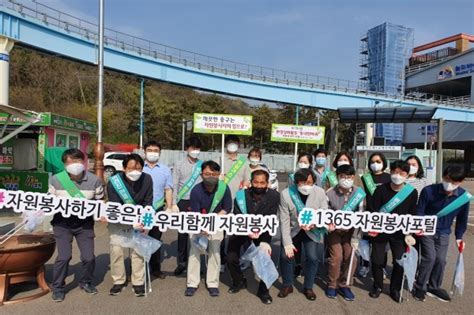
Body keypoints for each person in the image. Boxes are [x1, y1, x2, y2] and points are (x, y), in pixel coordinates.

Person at [49, 149, 104, 302]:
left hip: (84, 225)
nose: (74, 165)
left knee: (88, 257)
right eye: (70, 162)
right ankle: (58, 287)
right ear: (64, 164)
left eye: (77, 161)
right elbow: (49, 201)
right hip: (62, 224)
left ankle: (86, 282)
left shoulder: (94, 180)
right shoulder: (56, 180)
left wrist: (102, 214)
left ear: (84, 161)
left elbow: (100, 203)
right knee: (64, 257)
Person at [412, 166, 470, 302]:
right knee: (430, 257)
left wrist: (459, 237)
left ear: (461, 182)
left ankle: (433, 286)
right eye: (446, 179)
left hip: (444, 232)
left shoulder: (463, 197)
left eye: (454, 182)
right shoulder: (429, 191)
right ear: (442, 177)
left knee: (441, 260)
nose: (449, 184)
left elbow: (462, 219)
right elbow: (420, 210)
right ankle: (419, 286)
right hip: (426, 230)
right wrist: (419, 225)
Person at [227, 168, 280, 304]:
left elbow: (271, 218)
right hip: (243, 230)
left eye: (262, 183)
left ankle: (263, 291)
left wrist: (265, 241)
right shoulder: (240, 195)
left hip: (262, 233)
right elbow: (237, 215)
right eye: (256, 182)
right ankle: (239, 281)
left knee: (265, 257)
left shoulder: (274, 196)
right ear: (251, 182)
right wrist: (247, 230)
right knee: (231, 256)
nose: (259, 186)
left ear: (267, 183)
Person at [368, 160, 418, 303]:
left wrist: (410, 233)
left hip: (400, 233)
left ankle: (394, 289)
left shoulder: (411, 192)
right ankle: (377, 285)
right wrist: (373, 227)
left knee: (399, 261)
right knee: (377, 260)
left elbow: (412, 213)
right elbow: (372, 209)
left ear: (407, 175)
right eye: (395, 172)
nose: (397, 175)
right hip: (380, 231)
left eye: (401, 173)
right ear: (390, 172)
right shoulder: (381, 189)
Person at [278, 168, 328, 301]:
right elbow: (284, 220)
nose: (306, 186)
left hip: (312, 230)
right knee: (285, 256)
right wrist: (287, 243)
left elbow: (324, 213)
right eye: (301, 183)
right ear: (296, 182)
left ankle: (308, 287)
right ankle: (287, 284)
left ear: (314, 182)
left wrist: (315, 224)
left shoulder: (320, 192)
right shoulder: (286, 194)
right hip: (293, 229)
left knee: (312, 257)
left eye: (309, 182)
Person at [107, 154, 153, 297]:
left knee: (138, 251)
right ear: (123, 168)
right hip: (118, 222)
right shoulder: (114, 181)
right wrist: (129, 220)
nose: (135, 171)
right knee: (117, 251)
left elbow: (148, 202)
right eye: (131, 168)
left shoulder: (147, 179)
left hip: (139, 222)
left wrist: (145, 222)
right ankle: (119, 281)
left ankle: (138, 282)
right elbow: (115, 206)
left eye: (138, 168)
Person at [185, 161, 233, 297]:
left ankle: (212, 283)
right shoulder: (196, 190)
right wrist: (202, 227)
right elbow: (195, 212)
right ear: (201, 175)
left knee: (215, 252)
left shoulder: (224, 188)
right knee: (194, 252)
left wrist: (213, 222)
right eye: (207, 173)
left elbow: (227, 207)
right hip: (198, 224)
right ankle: (192, 283)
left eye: (213, 173)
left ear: (218, 174)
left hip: (217, 224)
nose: (210, 176)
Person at [325, 164, 365, 301]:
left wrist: (356, 237)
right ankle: (332, 284)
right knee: (336, 257)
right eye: (343, 177)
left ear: (353, 177)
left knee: (351, 257)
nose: (346, 179)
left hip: (351, 232)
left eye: (349, 177)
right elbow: (326, 212)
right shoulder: (330, 192)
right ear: (338, 177)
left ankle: (345, 284)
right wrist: (328, 226)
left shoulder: (359, 193)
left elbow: (361, 215)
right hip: (334, 231)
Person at [218, 135, 251, 271]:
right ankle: (221, 259)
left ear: (238, 145)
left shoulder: (243, 162)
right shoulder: (220, 159)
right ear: (226, 145)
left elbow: (247, 180)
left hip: (238, 202)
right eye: (230, 143)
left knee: (240, 232)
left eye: (235, 143)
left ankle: (244, 258)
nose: (232, 145)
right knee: (221, 233)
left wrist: (244, 187)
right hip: (221, 201)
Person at [171, 136, 203, 276]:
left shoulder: (202, 165)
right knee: (182, 233)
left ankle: (197, 262)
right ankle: (182, 262)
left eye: (197, 148)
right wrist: (173, 203)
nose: (195, 151)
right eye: (192, 148)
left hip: (198, 202)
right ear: (187, 149)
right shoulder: (178, 164)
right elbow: (175, 184)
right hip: (183, 201)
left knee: (198, 232)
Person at [142, 140, 173, 279]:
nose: (152, 153)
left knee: (155, 239)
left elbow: (168, 189)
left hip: (158, 208)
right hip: (141, 210)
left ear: (160, 153)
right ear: (145, 152)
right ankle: (138, 270)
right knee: (138, 239)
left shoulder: (165, 169)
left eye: (156, 150)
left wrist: (170, 207)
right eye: (150, 150)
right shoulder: (139, 168)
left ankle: (155, 269)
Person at [359, 152, 391, 278]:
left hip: (383, 215)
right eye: (372, 162)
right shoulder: (365, 178)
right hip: (368, 215)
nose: (375, 164)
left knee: (382, 244)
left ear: (383, 163)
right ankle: (365, 265)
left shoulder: (389, 178)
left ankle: (381, 267)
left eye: (378, 161)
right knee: (365, 242)